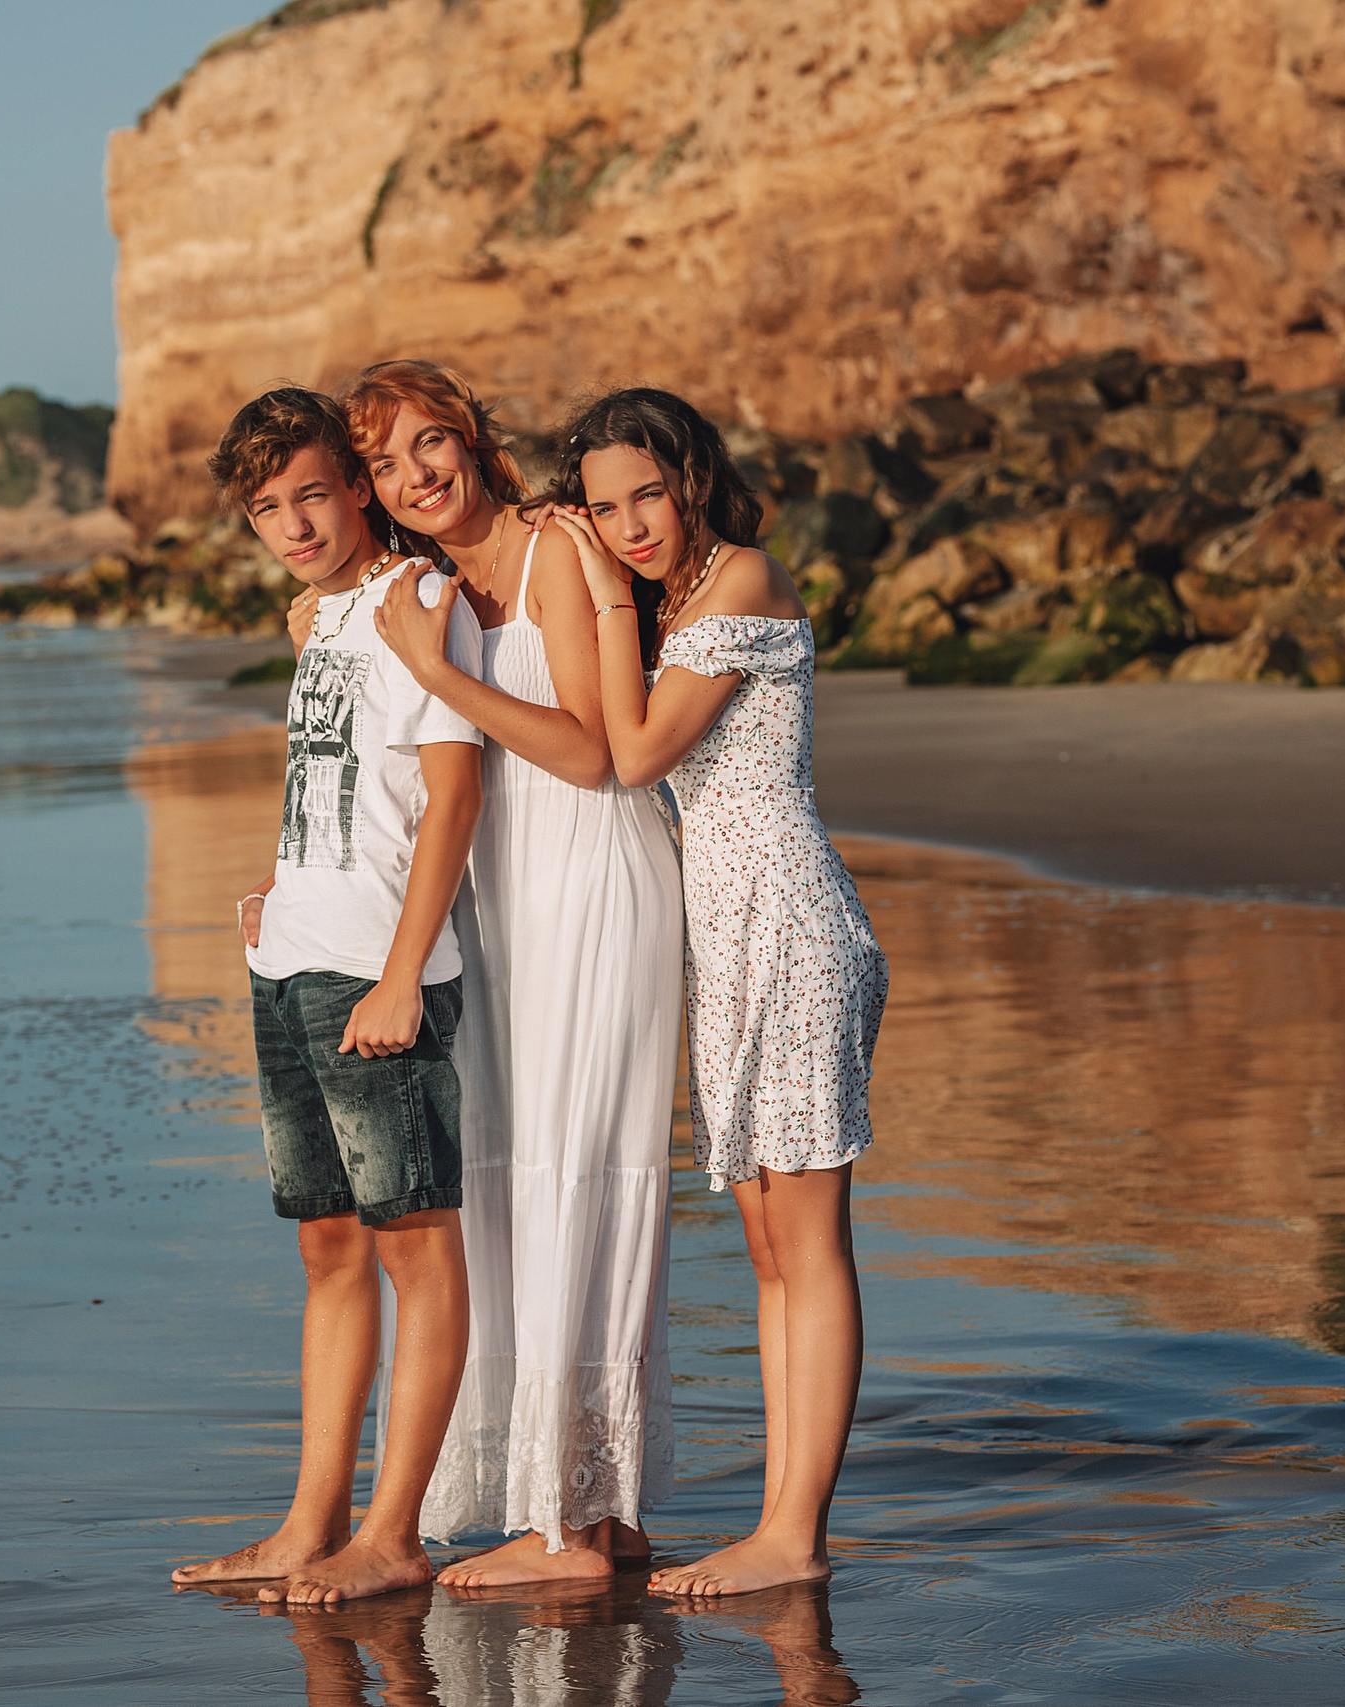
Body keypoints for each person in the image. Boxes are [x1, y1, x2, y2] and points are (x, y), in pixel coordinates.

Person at [543, 387, 888, 1598]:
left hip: (789, 928)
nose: (630, 524)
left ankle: (793, 1534)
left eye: (645, 493)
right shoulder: (678, 600)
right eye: (602, 509)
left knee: (807, 1239)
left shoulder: (741, 578)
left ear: (690, 476)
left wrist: (593, 585)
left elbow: (633, 752)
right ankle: (779, 1523)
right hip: (727, 943)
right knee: (766, 1246)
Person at [345, 360, 684, 1584]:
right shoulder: (421, 586)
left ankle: (574, 1535)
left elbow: (594, 754)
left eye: (429, 443)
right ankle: (598, 1510)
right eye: (383, 463)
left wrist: (446, 676)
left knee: (581, 1177)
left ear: (473, 437)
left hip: (592, 881)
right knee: (516, 1185)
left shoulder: (554, 551)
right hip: (501, 905)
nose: (413, 475)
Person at [166, 386, 487, 1606]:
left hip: (376, 972)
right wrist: (281, 879)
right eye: (267, 509)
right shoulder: (321, 620)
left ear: (355, 486)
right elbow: (345, 783)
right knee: (327, 1248)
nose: (293, 524)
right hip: (293, 954)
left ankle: (394, 1534)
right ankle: (311, 1523)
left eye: (311, 494)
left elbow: (452, 794)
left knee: (415, 1245)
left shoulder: (415, 604)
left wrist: (405, 973)